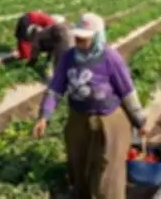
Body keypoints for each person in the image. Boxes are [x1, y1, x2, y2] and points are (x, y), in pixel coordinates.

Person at [32, 12, 147, 199]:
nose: (79, 41)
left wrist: (139, 120)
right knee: (79, 164)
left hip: (109, 119)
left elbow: (127, 91)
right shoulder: (69, 57)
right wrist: (44, 116)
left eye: (84, 38)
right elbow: (55, 88)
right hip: (79, 118)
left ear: (97, 37)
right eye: (77, 37)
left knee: (108, 170)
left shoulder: (110, 58)